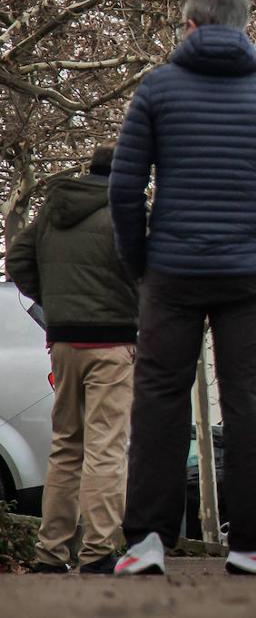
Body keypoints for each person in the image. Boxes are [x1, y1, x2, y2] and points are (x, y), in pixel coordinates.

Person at [109, 0, 256, 577]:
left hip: (170, 269)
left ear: (191, 26)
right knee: (250, 400)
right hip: (246, 271)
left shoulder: (157, 87)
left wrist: (139, 258)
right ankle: (252, 542)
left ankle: (146, 541)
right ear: (245, 27)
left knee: (159, 398)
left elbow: (124, 186)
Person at [5, 145, 138, 575]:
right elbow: (146, 273)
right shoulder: (128, 213)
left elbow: (19, 260)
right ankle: (98, 550)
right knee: (106, 447)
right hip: (112, 344)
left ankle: (50, 552)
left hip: (62, 342)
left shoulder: (54, 209)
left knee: (65, 446)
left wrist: (53, 304)